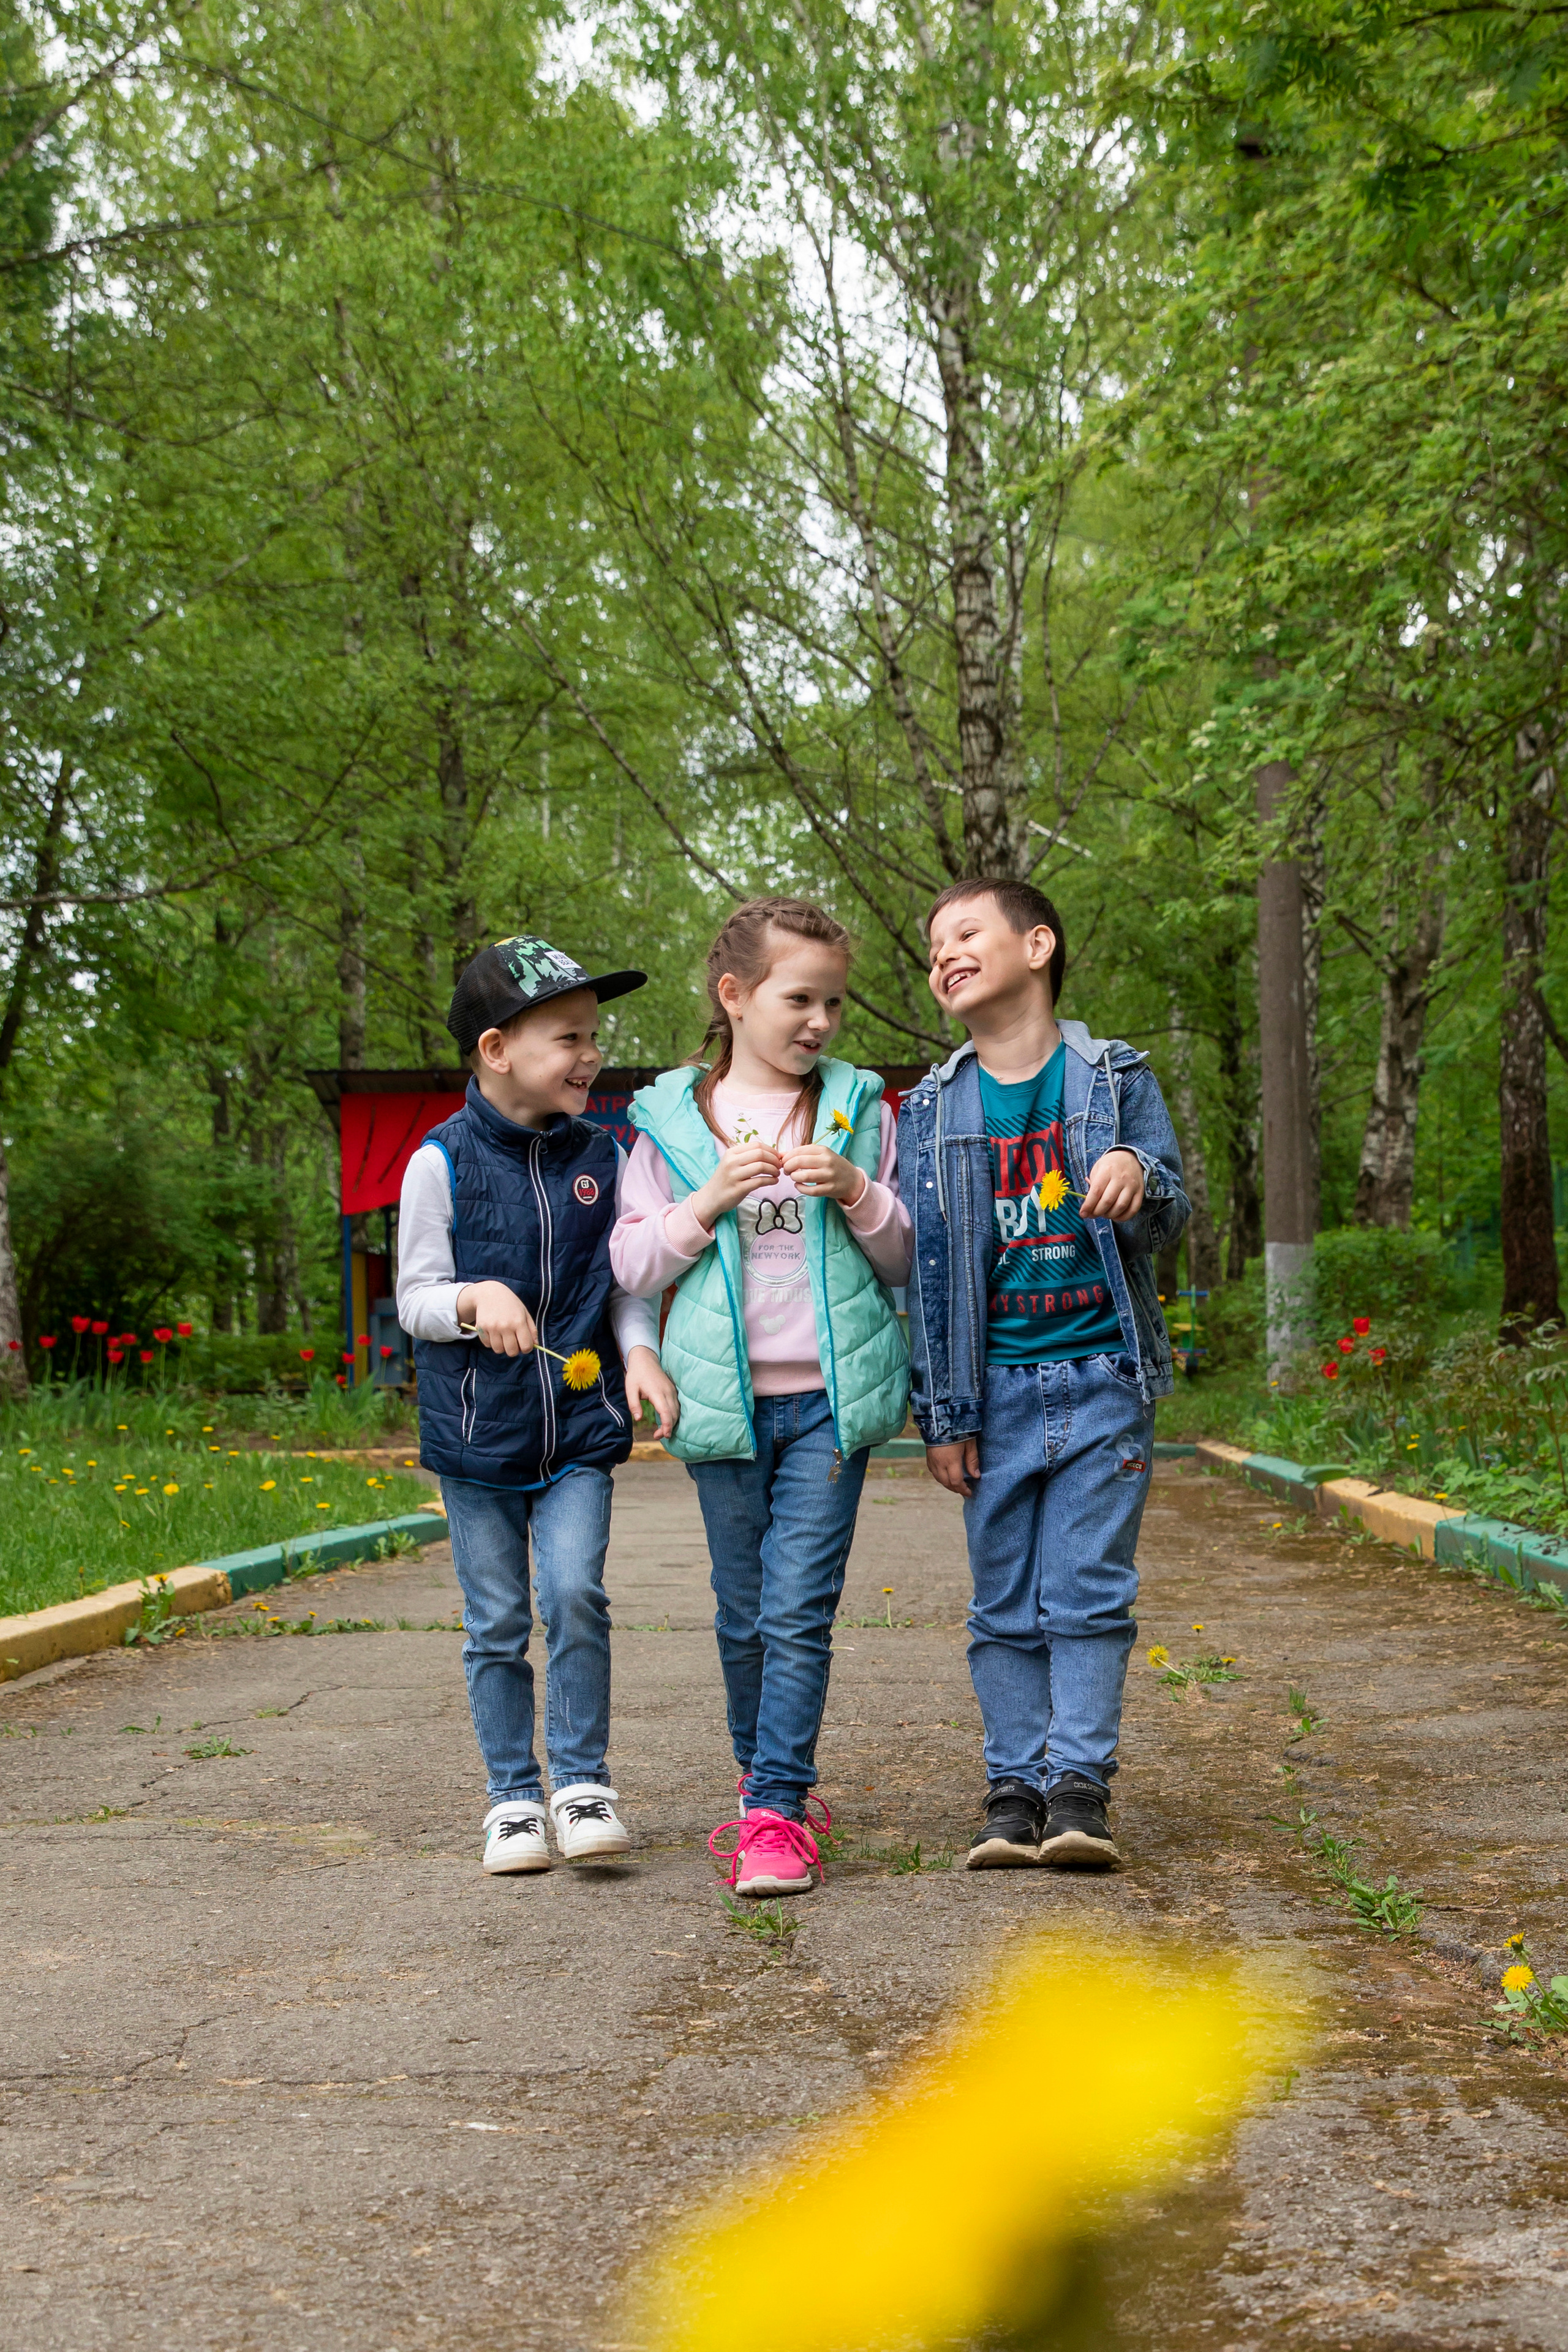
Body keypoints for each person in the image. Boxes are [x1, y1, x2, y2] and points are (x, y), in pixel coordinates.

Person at [611, 898, 912, 1898]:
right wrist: (706, 1202)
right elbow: (630, 1261)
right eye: (799, 998)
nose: (820, 1021)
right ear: (735, 997)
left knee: (797, 1610)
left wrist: (860, 1191)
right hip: (720, 1406)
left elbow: (908, 1256)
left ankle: (778, 1810)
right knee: (741, 1613)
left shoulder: (860, 1109)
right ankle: (762, 1786)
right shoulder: (669, 1121)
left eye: (834, 1001)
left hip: (833, 1400)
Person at [897, 879, 1189, 1871]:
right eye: (934, 945)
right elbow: (931, 1272)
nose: (944, 953)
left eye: (965, 933)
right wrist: (944, 1411)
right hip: (996, 1392)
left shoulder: (1112, 1079)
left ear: (1037, 945)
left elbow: (1177, 1205)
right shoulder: (933, 1108)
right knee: (1004, 1603)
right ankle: (1010, 1793)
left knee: (1090, 1591)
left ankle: (1078, 1792)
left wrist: (1141, 1181)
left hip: (1104, 1375)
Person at [396, 934, 679, 1877]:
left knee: (573, 1595)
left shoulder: (604, 1156)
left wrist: (639, 1355)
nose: (589, 1054)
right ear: (496, 1050)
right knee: (497, 1625)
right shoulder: (438, 1164)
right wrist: (475, 1300)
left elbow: (623, 1285)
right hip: (476, 1438)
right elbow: (417, 1298)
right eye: (567, 1037)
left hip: (580, 1431)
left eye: (592, 1034)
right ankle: (513, 1800)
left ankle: (584, 1785)